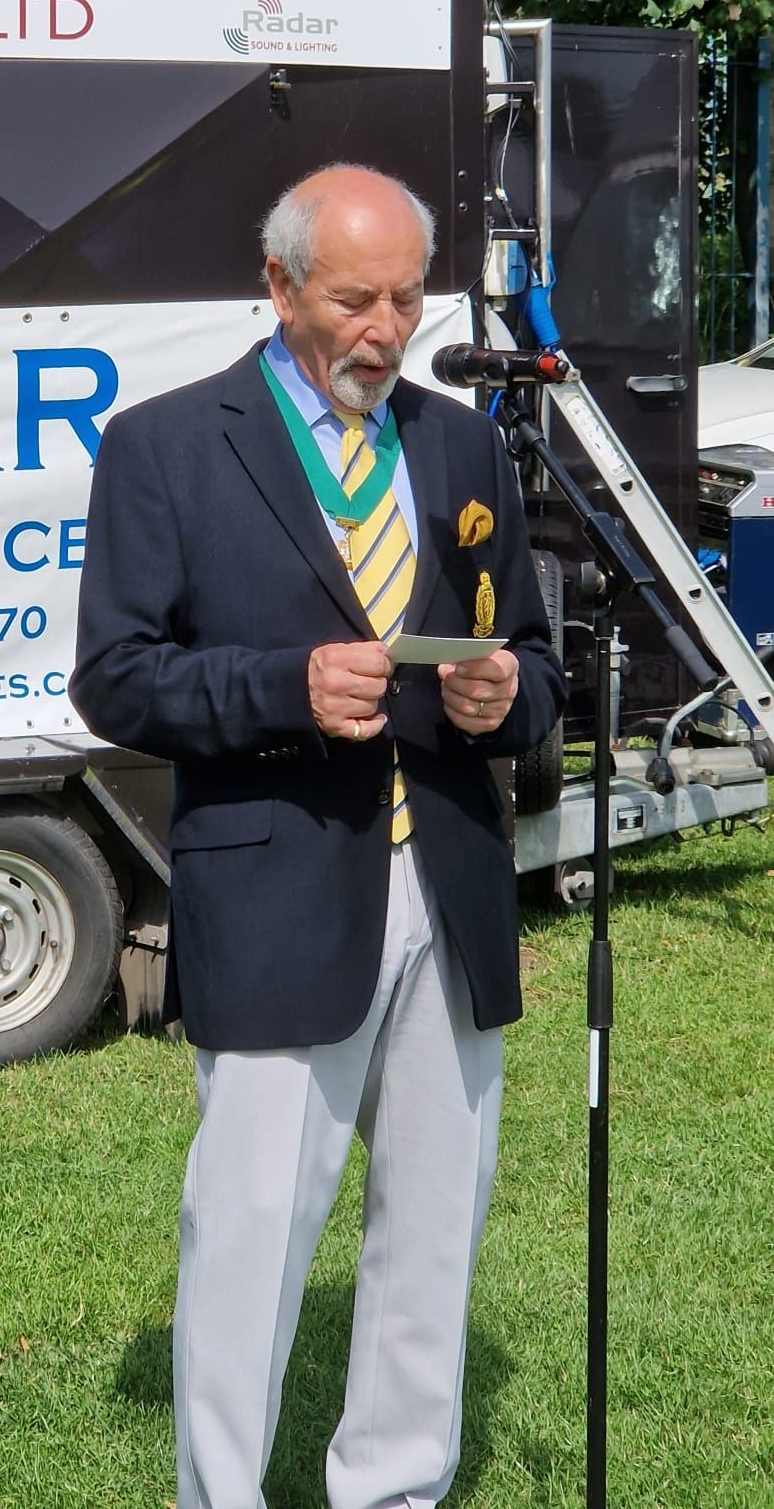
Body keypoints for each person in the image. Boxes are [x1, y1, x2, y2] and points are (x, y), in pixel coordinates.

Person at [70, 164, 566, 1509]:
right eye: (357, 300)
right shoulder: (166, 445)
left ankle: (396, 1488)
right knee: (248, 1232)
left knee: (434, 1232)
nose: (387, 328)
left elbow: (536, 657)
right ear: (280, 285)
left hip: (452, 890)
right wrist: (281, 688)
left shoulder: (460, 446)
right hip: (280, 888)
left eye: (408, 296)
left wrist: (509, 690)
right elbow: (113, 678)